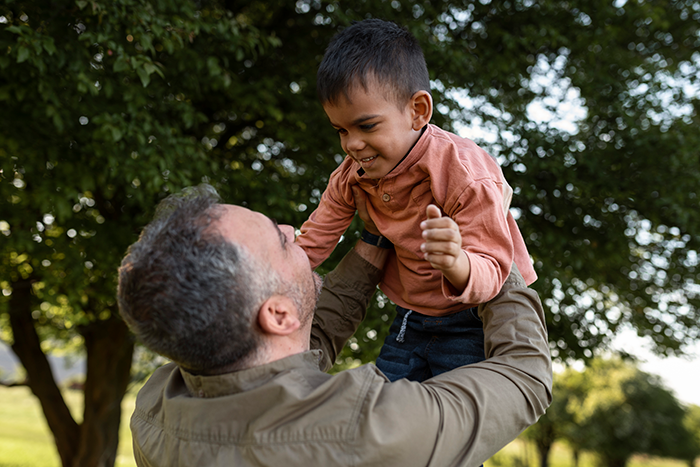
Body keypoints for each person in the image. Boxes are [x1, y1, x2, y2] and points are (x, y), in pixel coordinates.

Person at [117, 184, 552, 467]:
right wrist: (490, 249)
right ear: (277, 314)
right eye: (282, 239)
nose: (292, 228)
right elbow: (525, 376)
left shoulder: (158, 405)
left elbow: (297, 351)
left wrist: (379, 234)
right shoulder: (364, 429)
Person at [295, 18, 538, 382]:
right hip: (411, 314)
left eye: (366, 126)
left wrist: (456, 261)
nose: (351, 144)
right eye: (341, 130)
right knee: (387, 409)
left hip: (470, 317)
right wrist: (275, 271)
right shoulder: (352, 174)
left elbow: (493, 268)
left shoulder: (464, 174)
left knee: (453, 418)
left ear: (418, 111)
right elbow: (314, 240)